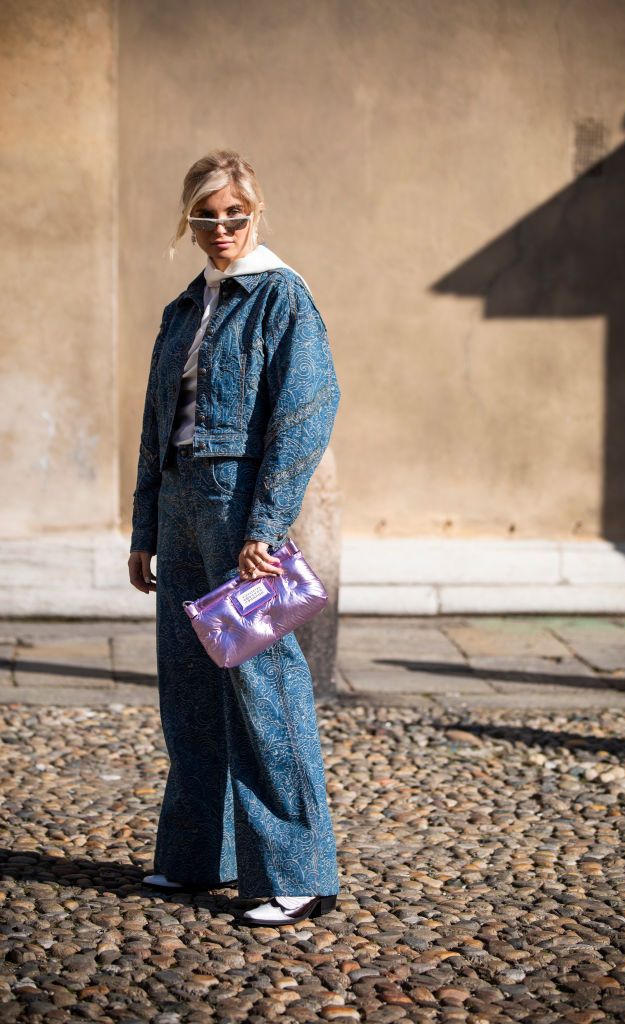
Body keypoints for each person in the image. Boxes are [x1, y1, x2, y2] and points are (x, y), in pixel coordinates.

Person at [127, 149, 341, 925]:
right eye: (205, 216)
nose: (220, 229)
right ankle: (198, 859)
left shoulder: (282, 298)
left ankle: (298, 872)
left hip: (239, 510)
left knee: (262, 685)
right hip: (183, 506)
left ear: (257, 214)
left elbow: (307, 409)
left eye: (234, 215)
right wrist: (144, 525)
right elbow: (155, 428)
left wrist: (266, 524)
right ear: (188, 222)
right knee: (187, 685)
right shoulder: (184, 307)